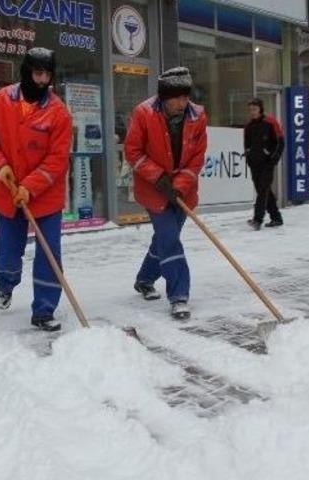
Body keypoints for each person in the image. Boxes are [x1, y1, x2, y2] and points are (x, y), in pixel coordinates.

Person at [0, 47, 73, 332]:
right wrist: (0, 166)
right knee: (8, 250)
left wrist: (30, 187)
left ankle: (44, 309)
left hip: (45, 196)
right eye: (37, 73)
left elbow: (57, 160)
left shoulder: (58, 113)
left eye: (47, 74)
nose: (42, 80)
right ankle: (6, 283)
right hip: (8, 191)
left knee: (49, 253)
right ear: (26, 72)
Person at [124, 66, 207, 320]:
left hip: (183, 193)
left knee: (163, 239)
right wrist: (160, 179)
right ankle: (179, 295)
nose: (184, 102)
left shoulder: (197, 117)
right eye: (178, 97)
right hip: (154, 190)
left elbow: (196, 158)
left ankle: (145, 279)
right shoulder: (144, 113)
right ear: (164, 97)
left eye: (186, 96)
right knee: (170, 239)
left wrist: (179, 187)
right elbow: (133, 151)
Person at [244, 98, 284, 230]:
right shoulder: (249, 126)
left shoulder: (270, 122)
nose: (252, 112)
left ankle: (257, 219)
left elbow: (280, 142)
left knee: (262, 190)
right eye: (250, 110)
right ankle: (276, 217)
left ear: (260, 109)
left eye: (254, 109)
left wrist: (273, 159)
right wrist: (248, 159)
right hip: (254, 163)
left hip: (267, 163)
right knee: (264, 190)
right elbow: (247, 145)